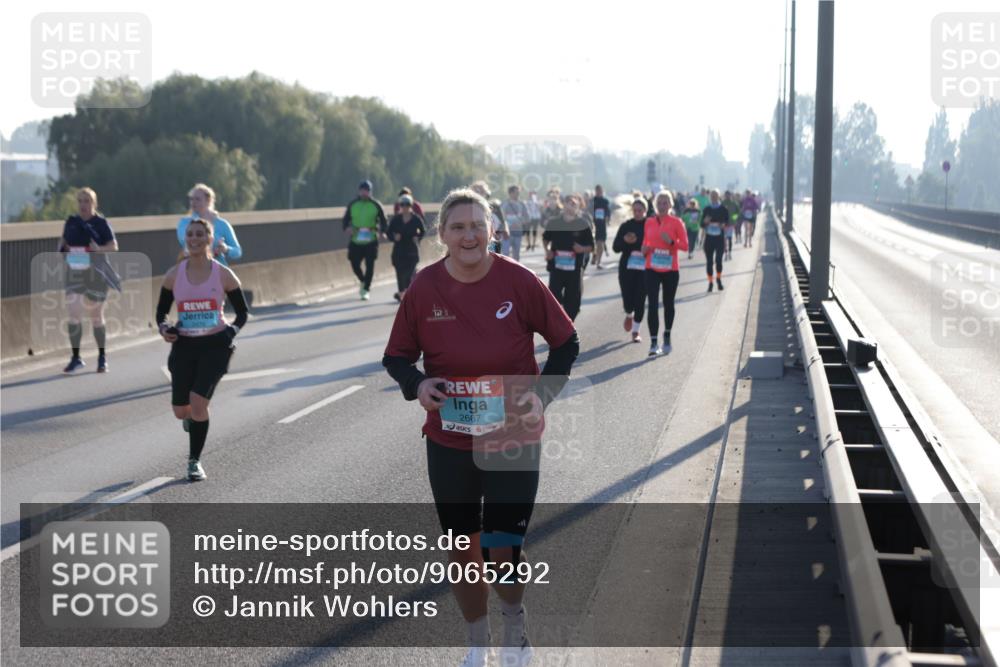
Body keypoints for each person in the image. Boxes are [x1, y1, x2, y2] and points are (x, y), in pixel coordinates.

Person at [382, 187, 580, 667]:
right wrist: (418, 383)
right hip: (449, 438)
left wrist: (542, 395)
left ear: (493, 230)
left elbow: (566, 343)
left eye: (477, 225)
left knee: (502, 547)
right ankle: (477, 641)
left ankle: (515, 630)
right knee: (462, 547)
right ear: (442, 235)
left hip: (511, 432)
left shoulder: (520, 281)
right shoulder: (424, 288)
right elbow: (396, 357)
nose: (468, 235)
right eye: (458, 227)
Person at [156, 218, 249, 481]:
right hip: (184, 346)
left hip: (215, 346)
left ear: (209, 239)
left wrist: (231, 330)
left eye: (199, 234)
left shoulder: (223, 274)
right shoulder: (174, 275)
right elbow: (161, 314)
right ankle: (192, 421)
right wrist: (165, 329)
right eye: (190, 234)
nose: (194, 238)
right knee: (180, 410)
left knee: (198, 404)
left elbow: (242, 313)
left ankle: (194, 461)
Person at [59, 187, 119, 374]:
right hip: (75, 272)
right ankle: (76, 358)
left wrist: (98, 248)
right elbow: (62, 243)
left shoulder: (101, 223)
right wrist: (64, 250)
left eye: (87, 201)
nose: (83, 205)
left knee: (96, 317)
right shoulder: (71, 222)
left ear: (94, 204)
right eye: (81, 201)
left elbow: (114, 246)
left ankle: (102, 357)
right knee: (74, 314)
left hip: (96, 274)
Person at [642, 191, 688, 356]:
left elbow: (685, 246)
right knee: (652, 304)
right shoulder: (649, 222)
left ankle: (666, 335)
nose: (662, 206)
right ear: (655, 204)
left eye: (665, 203)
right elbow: (644, 243)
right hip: (651, 267)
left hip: (670, 269)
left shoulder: (676, 222)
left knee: (668, 303)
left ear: (670, 205)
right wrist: (644, 249)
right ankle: (654, 342)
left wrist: (670, 242)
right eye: (659, 203)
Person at [543, 194, 594, 321]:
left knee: (573, 302)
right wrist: (548, 250)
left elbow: (591, 247)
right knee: (553, 298)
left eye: (574, 204)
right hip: (556, 267)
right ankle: (559, 324)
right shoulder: (554, 222)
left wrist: (582, 249)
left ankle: (569, 325)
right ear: (563, 204)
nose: (570, 206)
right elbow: (545, 238)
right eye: (568, 203)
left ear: (578, 207)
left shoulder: (583, 224)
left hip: (574, 269)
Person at [342, 180, 388, 300]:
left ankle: (366, 289)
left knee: (370, 265)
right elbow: (345, 220)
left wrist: (382, 232)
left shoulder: (376, 205)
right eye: (362, 190)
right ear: (359, 191)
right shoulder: (353, 204)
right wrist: (347, 228)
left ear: (370, 192)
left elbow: (384, 220)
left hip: (371, 239)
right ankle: (363, 280)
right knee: (353, 262)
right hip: (356, 239)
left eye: (366, 191)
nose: (364, 193)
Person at [177, 183, 242, 266]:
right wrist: (214, 243)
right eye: (191, 199)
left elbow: (238, 251)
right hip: (193, 269)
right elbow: (186, 240)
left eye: (197, 199)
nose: (193, 202)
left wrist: (225, 249)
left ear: (208, 200)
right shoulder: (184, 223)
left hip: (218, 269)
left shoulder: (223, 224)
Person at [612, 198, 648, 343]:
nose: (637, 213)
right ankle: (628, 313)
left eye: (640, 210)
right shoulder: (626, 226)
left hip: (644, 269)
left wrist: (645, 247)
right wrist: (625, 241)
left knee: (640, 299)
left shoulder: (650, 225)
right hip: (627, 268)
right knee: (628, 299)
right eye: (635, 210)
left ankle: (636, 330)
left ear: (645, 211)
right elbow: (615, 247)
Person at [387, 194, 426, 301]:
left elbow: (423, 231)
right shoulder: (396, 219)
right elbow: (388, 232)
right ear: (400, 206)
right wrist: (394, 237)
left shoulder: (416, 219)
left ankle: (407, 295)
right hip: (398, 251)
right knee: (400, 274)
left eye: (407, 204)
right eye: (402, 204)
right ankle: (402, 295)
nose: (405, 207)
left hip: (411, 251)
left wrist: (418, 237)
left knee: (408, 275)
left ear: (411, 206)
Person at [702, 189, 728, 293]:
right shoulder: (707, 209)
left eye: (715, 195)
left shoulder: (723, 209)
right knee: (709, 262)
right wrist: (705, 222)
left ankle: (718, 279)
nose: (713, 197)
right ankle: (710, 282)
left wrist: (723, 224)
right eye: (712, 195)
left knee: (718, 261)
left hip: (719, 239)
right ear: (710, 197)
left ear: (718, 196)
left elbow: (727, 220)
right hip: (709, 239)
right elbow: (701, 224)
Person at [500, 184, 529, 261]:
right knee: (505, 254)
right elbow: (500, 219)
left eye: (519, 192)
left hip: (518, 232)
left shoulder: (522, 204)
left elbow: (527, 217)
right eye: (516, 192)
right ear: (510, 193)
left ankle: (515, 272)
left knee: (516, 255)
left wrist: (520, 223)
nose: (518, 194)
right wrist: (509, 225)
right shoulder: (504, 204)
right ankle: (505, 271)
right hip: (507, 234)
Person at [591, 185, 611, 269]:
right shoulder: (592, 201)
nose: (598, 192)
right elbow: (589, 210)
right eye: (597, 191)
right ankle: (594, 255)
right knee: (594, 243)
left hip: (602, 225)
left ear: (602, 191)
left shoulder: (605, 201)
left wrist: (607, 219)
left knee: (601, 243)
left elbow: (608, 212)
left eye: (600, 191)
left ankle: (598, 262)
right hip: (593, 224)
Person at [721, 190, 739, 260]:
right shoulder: (723, 203)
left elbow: (738, 212)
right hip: (724, 224)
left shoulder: (734, 203)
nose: (727, 196)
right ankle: (725, 253)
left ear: (730, 195)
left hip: (731, 224)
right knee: (724, 240)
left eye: (728, 195)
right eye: (726, 195)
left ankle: (730, 253)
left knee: (730, 238)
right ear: (725, 195)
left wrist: (734, 218)